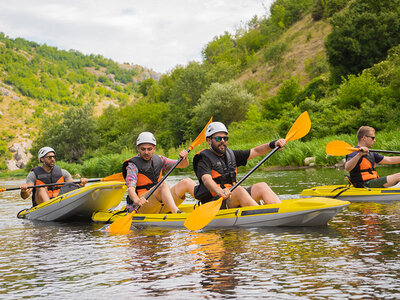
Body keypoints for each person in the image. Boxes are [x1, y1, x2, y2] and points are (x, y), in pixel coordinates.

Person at [193, 122, 287, 208]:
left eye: (225, 138)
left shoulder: (231, 155)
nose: (222, 141)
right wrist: (220, 192)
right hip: (215, 201)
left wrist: (273, 144)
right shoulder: (203, 159)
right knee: (239, 190)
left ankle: (281, 211)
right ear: (209, 140)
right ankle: (262, 215)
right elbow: (206, 179)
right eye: (218, 138)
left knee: (261, 186)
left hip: (232, 196)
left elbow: (255, 151)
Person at [122, 132, 196, 214]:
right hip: (141, 206)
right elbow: (130, 189)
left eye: (149, 149)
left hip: (160, 204)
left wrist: (184, 158)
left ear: (154, 148)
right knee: (163, 184)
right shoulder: (132, 166)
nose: (146, 152)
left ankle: (209, 204)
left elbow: (183, 165)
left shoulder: (160, 160)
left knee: (187, 182)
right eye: (143, 149)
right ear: (138, 148)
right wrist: (137, 200)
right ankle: (176, 212)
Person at [20, 147, 88, 206]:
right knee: (42, 188)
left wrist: (82, 184)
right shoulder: (33, 174)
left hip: (59, 202)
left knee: (70, 185)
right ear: (42, 159)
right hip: (41, 205)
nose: (52, 159)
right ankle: (50, 207)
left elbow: (73, 186)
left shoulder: (63, 172)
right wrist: (23, 191)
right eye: (49, 157)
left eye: (53, 157)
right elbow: (25, 196)